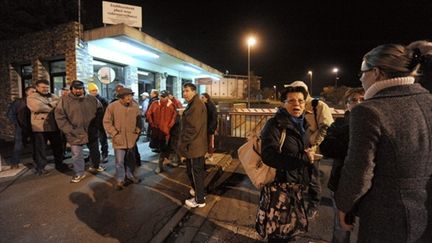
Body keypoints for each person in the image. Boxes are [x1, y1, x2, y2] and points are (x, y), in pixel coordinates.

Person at [335, 44, 432, 242]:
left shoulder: (369, 111)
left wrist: (345, 205)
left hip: (387, 216)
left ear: (376, 72)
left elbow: (359, 171)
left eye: (363, 72)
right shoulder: (428, 100)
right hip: (425, 210)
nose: (361, 78)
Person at [257, 86, 315, 242]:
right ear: (283, 103)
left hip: (297, 187)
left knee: (292, 230)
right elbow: (268, 156)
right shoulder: (275, 125)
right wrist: (302, 158)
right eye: (292, 101)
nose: (297, 104)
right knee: (277, 233)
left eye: (301, 101)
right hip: (279, 188)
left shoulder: (304, 125)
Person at [319, 87, 364, 243]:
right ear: (347, 105)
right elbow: (325, 148)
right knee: (341, 228)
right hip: (340, 184)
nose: (358, 103)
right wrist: (352, 131)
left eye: (362, 99)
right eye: (354, 100)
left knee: (365, 229)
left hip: (368, 187)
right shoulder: (339, 125)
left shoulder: (377, 124)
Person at [288, 80, 334, 220]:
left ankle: (313, 206)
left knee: (313, 179)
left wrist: (313, 144)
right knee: (296, 177)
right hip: (296, 149)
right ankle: (297, 204)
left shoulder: (318, 105)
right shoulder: (293, 104)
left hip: (312, 150)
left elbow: (326, 126)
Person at [55, 80, 104, 183]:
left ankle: (95, 166)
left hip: (91, 130)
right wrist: (69, 130)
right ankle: (79, 173)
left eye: (80, 89)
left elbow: (100, 112)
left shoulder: (92, 99)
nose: (78, 91)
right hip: (74, 132)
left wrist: (96, 125)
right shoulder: (64, 101)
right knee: (77, 154)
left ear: (83, 89)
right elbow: (60, 117)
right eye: (75, 89)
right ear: (71, 89)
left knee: (95, 151)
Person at [103, 88, 142, 190]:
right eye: (127, 96)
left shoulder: (135, 106)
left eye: (131, 95)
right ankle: (120, 179)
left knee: (131, 160)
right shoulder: (112, 106)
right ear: (121, 97)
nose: (130, 97)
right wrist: (114, 133)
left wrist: (138, 131)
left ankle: (130, 175)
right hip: (119, 139)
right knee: (119, 161)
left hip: (131, 139)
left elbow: (139, 120)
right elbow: (106, 121)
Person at [27, 79, 67, 175]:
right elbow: (37, 107)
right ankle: (40, 167)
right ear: (37, 87)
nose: (45, 89)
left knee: (58, 147)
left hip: (54, 125)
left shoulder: (53, 95)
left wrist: (48, 105)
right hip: (40, 127)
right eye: (43, 87)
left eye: (47, 87)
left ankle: (59, 164)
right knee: (40, 148)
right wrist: (53, 105)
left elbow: (60, 105)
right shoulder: (32, 97)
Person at [179, 83, 208, 208]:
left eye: (187, 91)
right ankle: (200, 193)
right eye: (183, 91)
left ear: (194, 91)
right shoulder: (196, 104)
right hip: (197, 144)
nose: (184, 93)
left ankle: (199, 200)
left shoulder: (195, 105)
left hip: (194, 145)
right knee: (197, 172)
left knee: (195, 172)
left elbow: (192, 129)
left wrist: (182, 145)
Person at [146, 90, 177, 173]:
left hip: (167, 131)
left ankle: (162, 164)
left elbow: (174, 117)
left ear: (167, 97)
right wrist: (152, 124)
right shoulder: (155, 103)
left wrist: (170, 125)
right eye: (161, 96)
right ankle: (161, 164)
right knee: (160, 149)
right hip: (158, 130)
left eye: (164, 96)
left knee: (165, 148)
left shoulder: (171, 105)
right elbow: (148, 114)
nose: (162, 98)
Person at [6, 86, 36, 169]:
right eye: (32, 91)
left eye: (35, 91)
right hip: (21, 127)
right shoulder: (19, 102)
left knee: (35, 145)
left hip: (33, 126)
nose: (34, 93)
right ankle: (14, 162)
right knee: (18, 145)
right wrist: (17, 123)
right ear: (27, 92)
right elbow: (10, 114)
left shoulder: (36, 102)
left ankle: (37, 162)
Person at [88, 82, 109, 163]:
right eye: (92, 90)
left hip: (100, 123)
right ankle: (93, 155)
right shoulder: (87, 100)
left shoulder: (102, 100)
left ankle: (105, 154)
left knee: (103, 140)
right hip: (91, 124)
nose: (94, 92)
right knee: (93, 141)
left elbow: (106, 112)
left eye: (95, 90)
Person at [200, 93, 217, 161]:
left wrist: (212, 128)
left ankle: (211, 155)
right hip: (206, 127)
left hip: (210, 127)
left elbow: (214, 118)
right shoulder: (205, 105)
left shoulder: (211, 106)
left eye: (202, 97)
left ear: (207, 98)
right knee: (206, 141)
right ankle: (207, 154)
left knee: (210, 142)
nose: (201, 99)